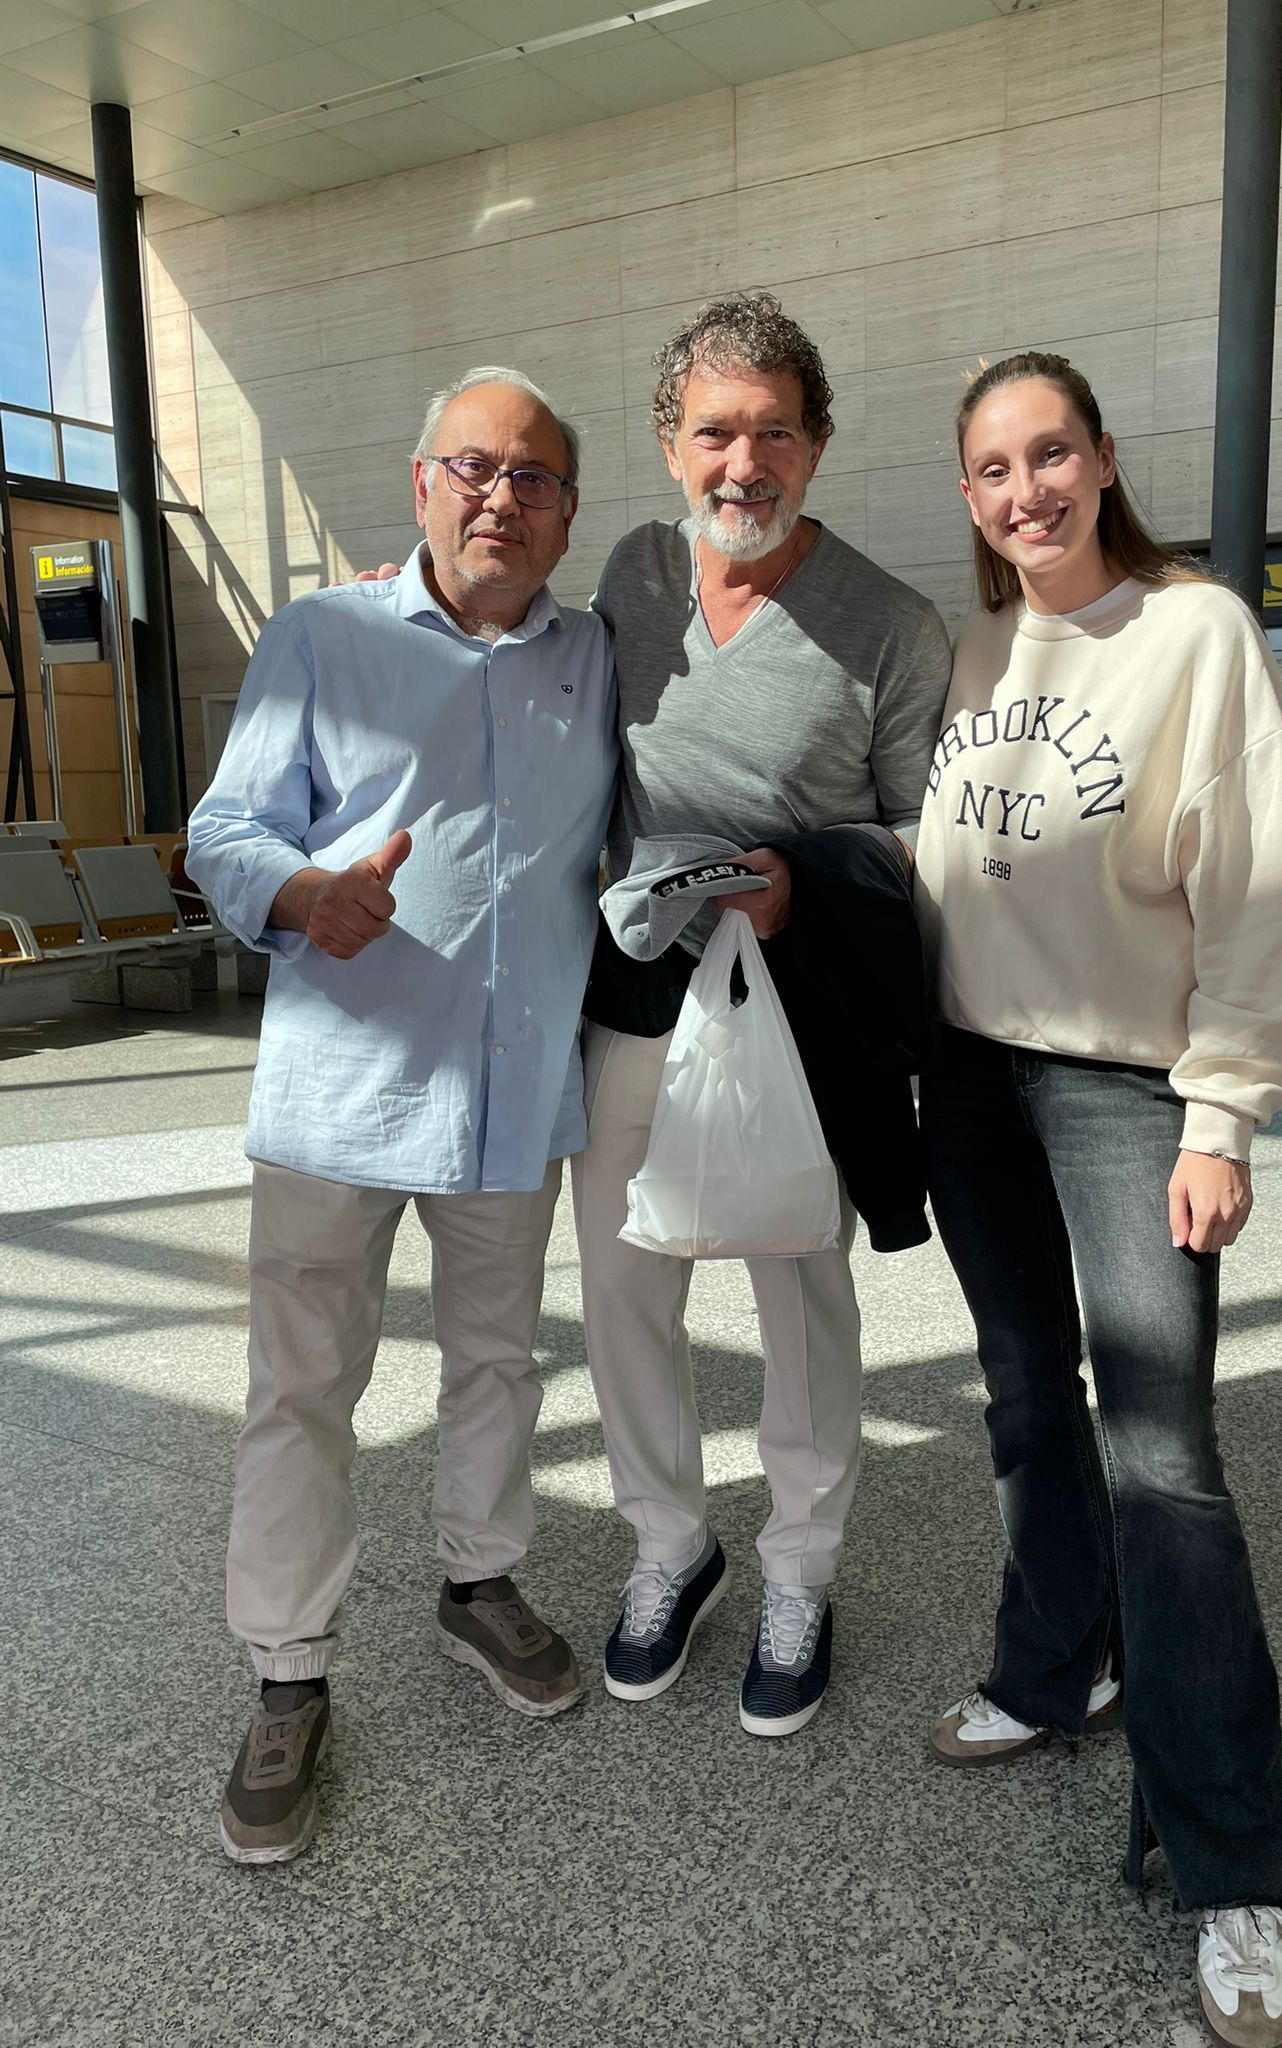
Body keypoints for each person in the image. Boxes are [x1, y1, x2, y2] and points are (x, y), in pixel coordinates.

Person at [914, 352, 1282, 2048]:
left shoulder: (1195, 631)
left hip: (1120, 1089)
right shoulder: (968, 648)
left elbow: (1262, 887)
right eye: (995, 470)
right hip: (969, 1084)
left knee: (1165, 1457)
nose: (1027, 492)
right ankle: (1052, 1666)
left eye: (1052, 455)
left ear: (1101, 460)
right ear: (969, 495)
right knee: (1024, 1401)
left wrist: (1221, 1115)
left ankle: (1232, 1863)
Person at [187, 368, 617, 1864]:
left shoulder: (594, 656)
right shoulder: (323, 636)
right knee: (302, 1388)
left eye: (537, 478)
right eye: (476, 468)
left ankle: (478, 1583)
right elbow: (224, 829)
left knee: (498, 1361)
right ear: (422, 481)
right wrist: (306, 891)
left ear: (568, 511)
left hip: (511, 1096)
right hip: (340, 1097)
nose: (504, 496)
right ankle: (287, 1673)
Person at [579, 292, 952, 1736]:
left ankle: (802, 1569)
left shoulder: (891, 625)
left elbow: (930, 839)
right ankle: (670, 1546)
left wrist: (810, 879)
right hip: (636, 992)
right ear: (671, 446)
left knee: (800, 1295)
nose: (746, 462)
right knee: (625, 1292)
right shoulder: (629, 579)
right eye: (715, 431)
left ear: (819, 442)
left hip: (802, 1009)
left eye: (775, 431)